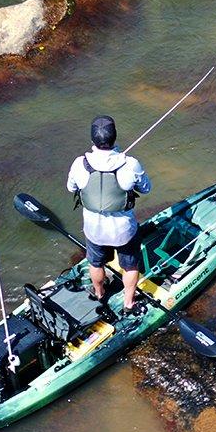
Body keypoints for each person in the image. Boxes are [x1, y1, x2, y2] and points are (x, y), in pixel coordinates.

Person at [66, 115, 152, 317]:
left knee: (95, 263)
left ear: (92, 140)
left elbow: (71, 188)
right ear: (115, 138)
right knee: (131, 265)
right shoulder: (130, 163)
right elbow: (146, 188)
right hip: (124, 231)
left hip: (94, 229)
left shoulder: (80, 163)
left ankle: (99, 293)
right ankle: (128, 303)